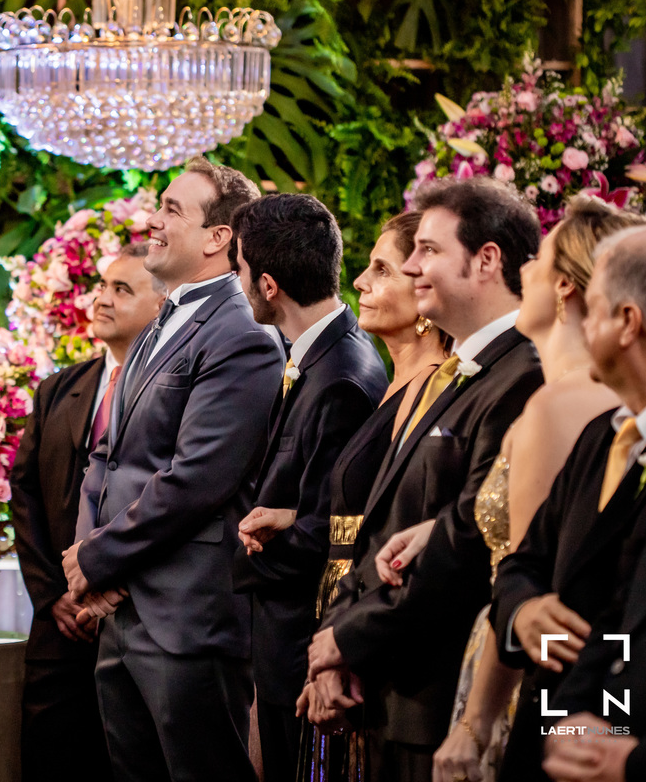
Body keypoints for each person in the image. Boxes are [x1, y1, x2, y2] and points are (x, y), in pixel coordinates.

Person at [378, 197, 646, 782]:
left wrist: (476, 722)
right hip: (539, 658)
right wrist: (438, 528)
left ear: (567, 287)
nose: (524, 271)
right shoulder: (575, 404)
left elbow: (552, 580)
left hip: (530, 674)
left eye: (539, 259)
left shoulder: (561, 408)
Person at [306, 177, 545, 782]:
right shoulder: (458, 373)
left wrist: (349, 637)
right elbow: (380, 529)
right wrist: (337, 636)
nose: (413, 267)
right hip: (389, 687)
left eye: (429, 250)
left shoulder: (522, 376)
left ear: (486, 259)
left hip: (438, 693)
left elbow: (468, 538)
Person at [63, 156, 284, 782]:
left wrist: (100, 560)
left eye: (171, 210)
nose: (152, 221)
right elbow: (106, 455)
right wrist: (87, 560)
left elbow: (198, 478)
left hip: (187, 615)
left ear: (218, 237)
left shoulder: (243, 333)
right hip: (120, 610)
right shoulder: (160, 321)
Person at [486, 222, 646, 782]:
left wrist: (633, 757)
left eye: (596, 307)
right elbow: (522, 564)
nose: (584, 324)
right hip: (559, 726)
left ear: (628, 322)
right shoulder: (601, 437)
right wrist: (523, 612)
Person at [228, 193, 388, 781]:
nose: (238, 284)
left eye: (240, 270)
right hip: (281, 638)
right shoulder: (318, 355)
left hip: (304, 641)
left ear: (268, 285)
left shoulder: (341, 376)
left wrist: (246, 555)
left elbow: (332, 532)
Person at [294, 211, 450, 781]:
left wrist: (349, 645)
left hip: (372, 628)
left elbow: (401, 522)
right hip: (339, 613)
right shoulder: (394, 383)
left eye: (382, 270)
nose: (359, 281)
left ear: (424, 287)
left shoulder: (434, 390)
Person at [11, 242, 165, 782]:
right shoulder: (58, 388)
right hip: (59, 629)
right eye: (102, 286)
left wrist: (107, 582)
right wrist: (53, 593)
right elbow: (24, 493)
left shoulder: (174, 389)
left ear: (162, 304)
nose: (101, 299)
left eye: (122, 289)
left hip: (135, 616)